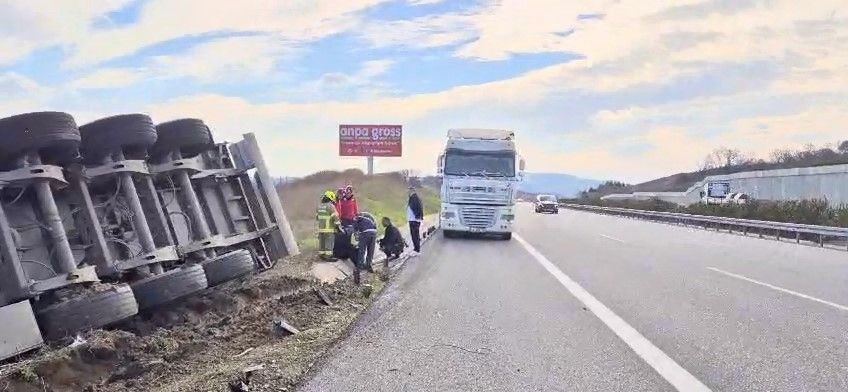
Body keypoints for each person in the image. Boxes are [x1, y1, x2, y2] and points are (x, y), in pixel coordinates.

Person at [353, 212, 377, 279]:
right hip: (374, 232)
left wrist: (357, 240)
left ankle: (359, 267)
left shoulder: (356, 219)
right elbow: (375, 224)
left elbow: (356, 232)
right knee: (370, 250)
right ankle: (369, 265)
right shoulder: (369, 216)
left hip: (365, 233)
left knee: (362, 250)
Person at [316, 191, 339, 260]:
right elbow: (335, 217)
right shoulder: (330, 206)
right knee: (329, 242)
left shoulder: (319, 206)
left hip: (321, 228)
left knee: (322, 242)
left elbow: (317, 217)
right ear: (330, 198)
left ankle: (322, 255)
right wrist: (338, 226)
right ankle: (329, 256)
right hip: (329, 228)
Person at [407, 186, 424, 256]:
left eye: (409, 191)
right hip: (413, 219)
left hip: (414, 220)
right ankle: (416, 249)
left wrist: (417, 216)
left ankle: (417, 250)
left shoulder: (414, 198)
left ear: (412, 191)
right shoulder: (414, 198)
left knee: (415, 235)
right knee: (414, 235)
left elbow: (418, 208)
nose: (408, 192)